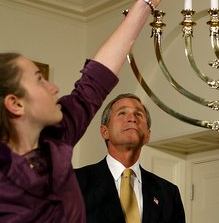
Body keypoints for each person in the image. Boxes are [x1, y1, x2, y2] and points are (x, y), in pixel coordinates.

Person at [0, 0, 175, 222]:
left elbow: (95, 81)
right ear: (15, 104)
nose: (54, 87)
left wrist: (144, 2)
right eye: (39, 79)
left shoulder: (54, 141)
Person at [75, 93, 186, 223]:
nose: (132, 118)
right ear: (105, 131)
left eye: (139, 114)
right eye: (122, 113)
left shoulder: (168, 193)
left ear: (147, 135)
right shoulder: (74, 182)